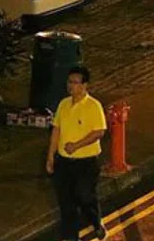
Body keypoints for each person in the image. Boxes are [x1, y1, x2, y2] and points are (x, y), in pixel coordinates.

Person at [47, 66, 108, 241]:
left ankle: (96, 222)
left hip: (86, 162)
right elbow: (56, 130)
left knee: (84, 196)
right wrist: (51, 156)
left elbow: (99, 132)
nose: (71, 86)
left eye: (75, 82)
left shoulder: (93, 106)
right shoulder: (63, 104)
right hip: (64, 162)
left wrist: (77, 145)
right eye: (69, 82)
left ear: (84, 85)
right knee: (66, 203)